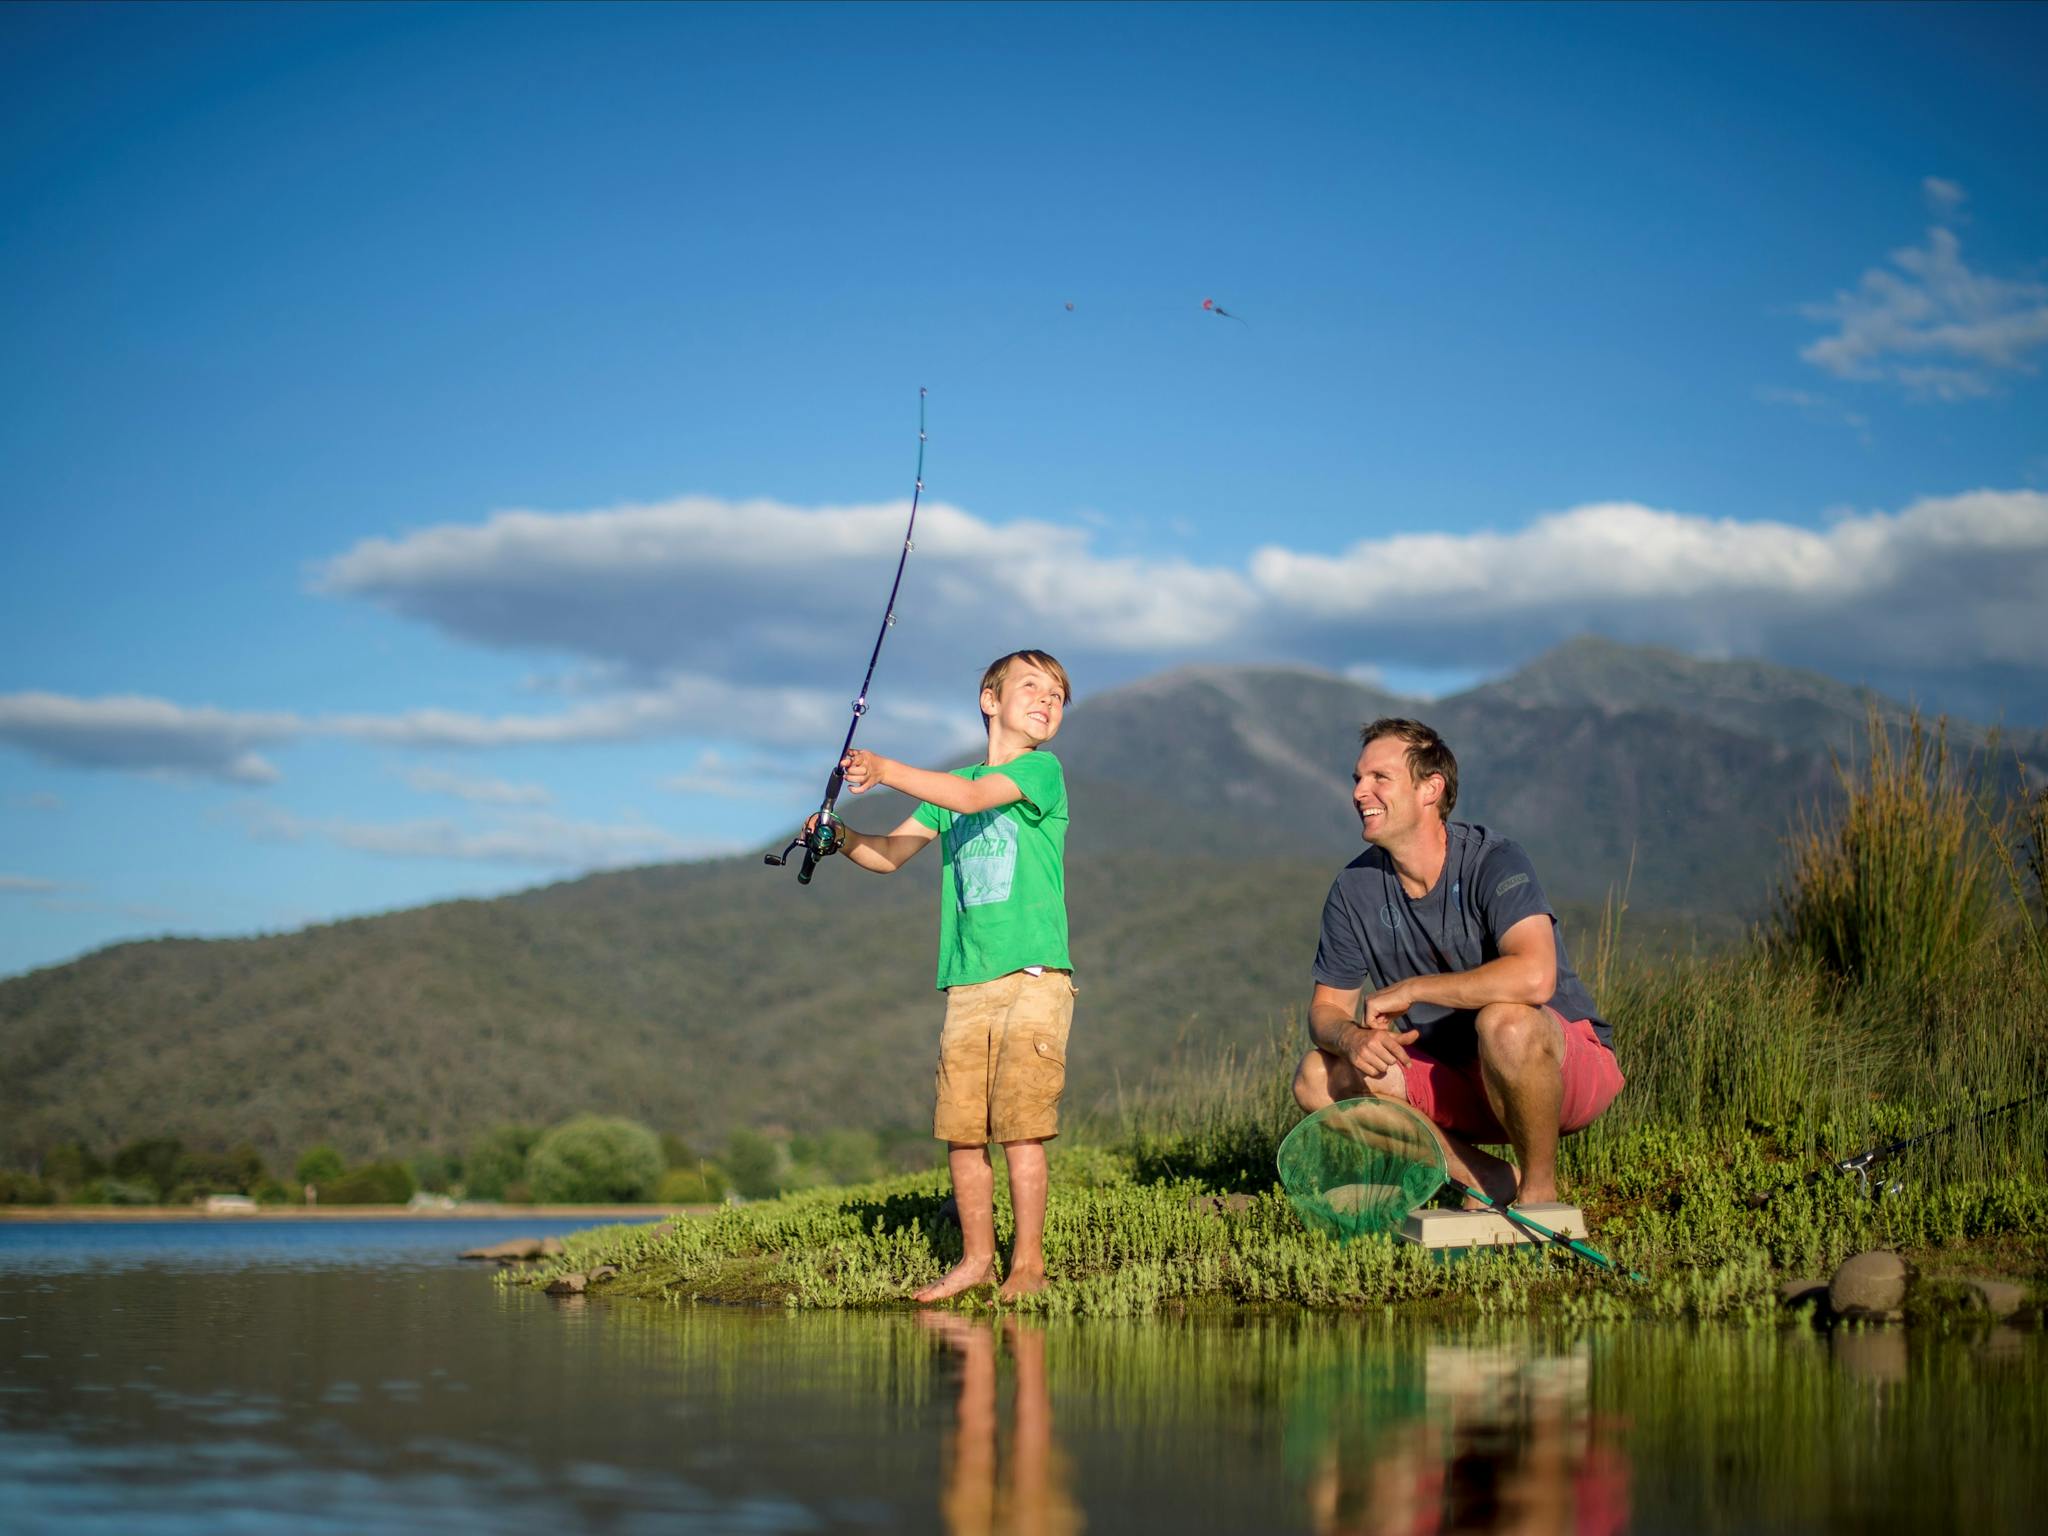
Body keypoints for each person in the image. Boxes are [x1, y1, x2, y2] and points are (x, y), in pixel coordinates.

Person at [813, 650, 1076, 1301]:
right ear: (989, 699)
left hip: (1033, 979)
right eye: (1032, 688)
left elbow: (970, 795)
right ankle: (976, 1261)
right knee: (963, 1135)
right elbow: (890, 856)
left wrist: (884, 767)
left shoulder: (1040, 771)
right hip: (966, 986)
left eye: (1059, 695)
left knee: (1021, 1127)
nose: (1048, 701)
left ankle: (1029, 1265)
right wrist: (839, 835)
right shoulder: (949, 788)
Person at [1292, 718, 1622, 1207]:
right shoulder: (1352, 889)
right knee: (1317, 1076)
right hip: (1461, 1084)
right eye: (1357, 779)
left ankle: (1539, 1197)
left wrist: (1414, 989)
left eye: (1379, 778)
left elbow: (1535, 976)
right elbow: (1326, 1011)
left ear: (1431, 788)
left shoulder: (1496, 859)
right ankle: (1486, 1179)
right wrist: (1351, 1037)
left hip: (1558, 1069)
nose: (1360, 792)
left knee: (1505, 1022)